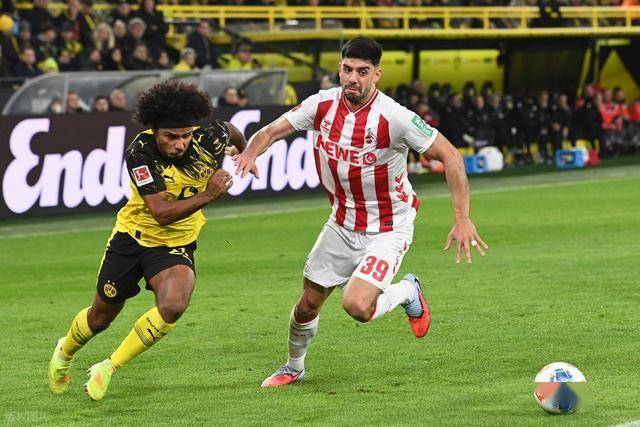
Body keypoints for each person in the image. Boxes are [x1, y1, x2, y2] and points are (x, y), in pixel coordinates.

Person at [234, 37, 488, 388]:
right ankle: (293, 367)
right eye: (347, 69)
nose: (352, 78)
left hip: (388, 227)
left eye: (362, 71)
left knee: (357, 305)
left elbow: (451, 156)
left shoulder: (395, 118)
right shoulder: (321, 105)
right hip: (341, 224)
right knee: (307, 305)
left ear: (377, 74)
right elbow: (272, 131)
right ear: (340, 69)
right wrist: (250, 153)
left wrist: (462, 218)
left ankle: (407, 291)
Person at [47, 80, 247, 401]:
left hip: (176, 243)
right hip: (133, 238)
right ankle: (64, 352)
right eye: (171, 136)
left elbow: (232, 131)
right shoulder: (140, 153)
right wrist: (209, 194)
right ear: (154, 130)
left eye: (186, 135)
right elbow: (161, 213)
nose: (180, 144)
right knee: (100, 317)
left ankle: (108, 367)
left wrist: (244, 151)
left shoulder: (209, 136)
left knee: (174, 304)